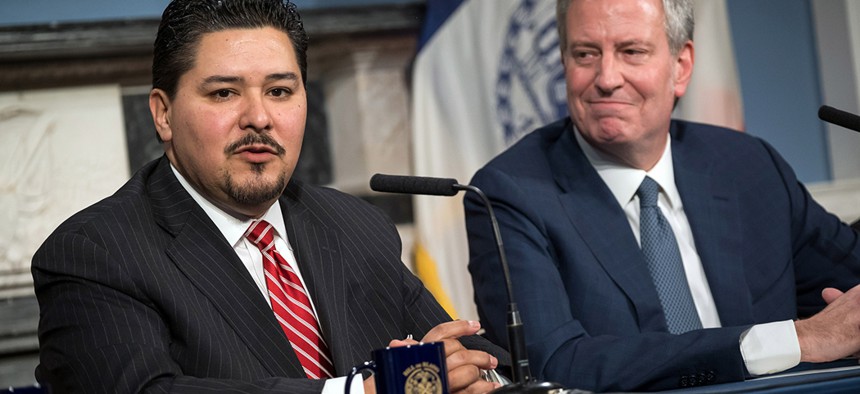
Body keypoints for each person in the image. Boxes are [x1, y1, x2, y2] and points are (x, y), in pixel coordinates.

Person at [31, 1, 506, 393]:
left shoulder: (352, 224)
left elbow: (471, 359)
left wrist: (472, 373)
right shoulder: (95, 253)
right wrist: (364, 391)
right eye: (224, 94)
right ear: (163, 115)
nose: (258, 117)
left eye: (279, 91)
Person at [465, 0, 860, 392]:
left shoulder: (746, 165)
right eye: (585, 54)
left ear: (681, 66)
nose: (606, 78)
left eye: (631, 52)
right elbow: (554, 366)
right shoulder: (511, 193)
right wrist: (794, 340)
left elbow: (850, 279)